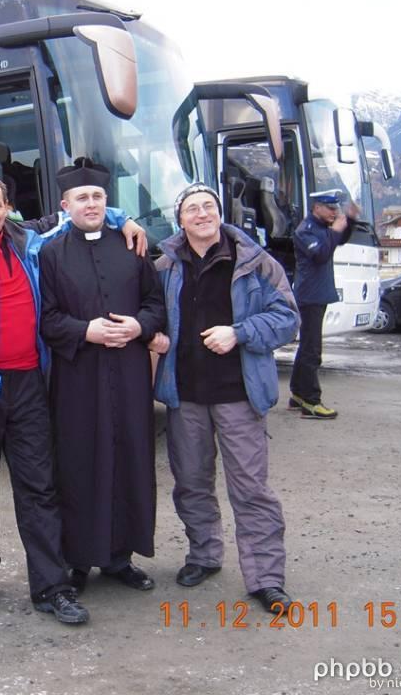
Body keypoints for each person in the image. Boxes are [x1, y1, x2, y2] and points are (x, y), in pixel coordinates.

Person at [0, 171, 147, 624]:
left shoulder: (31, 242)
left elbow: (80, 210)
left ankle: (52, 586)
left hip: (30, 383)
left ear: (8, 206)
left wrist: (123, 218)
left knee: (40, 488)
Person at [151, 183, 300, 613]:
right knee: (191, 484)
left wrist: (240, 333)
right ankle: (204, 555)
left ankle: (266, 577)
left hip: (239, 394)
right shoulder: (165, 268)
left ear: (220, 213)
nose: (202, 214)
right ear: (180, 220)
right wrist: (156, 337)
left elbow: (288, 319)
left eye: (209, 206)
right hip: (186, 397)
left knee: (251, 489)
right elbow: (153, 314)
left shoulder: (257, 264)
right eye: (192, 209)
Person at [39, 159, 166, 593]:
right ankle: (78, 559)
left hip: (129, 377)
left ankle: (119, 557)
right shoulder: (51, 254)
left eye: (97, 196)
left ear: (106, 202)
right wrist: (85, 330)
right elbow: (48, 320)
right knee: (79, 463)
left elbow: (155, 304)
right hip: (78, 380)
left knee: (130, 459)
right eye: (82, 198)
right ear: (65, 204)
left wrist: (140, 327)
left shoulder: (133, 246)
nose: (90, 204)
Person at [289, 189, 358, 419]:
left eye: (336, 208)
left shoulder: (321, 229)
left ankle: (298, 393)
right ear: (316, 207)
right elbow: (320, 254)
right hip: (310, 297)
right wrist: (336, 229)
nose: (334, 212)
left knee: (307, 346)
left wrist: (350, 220)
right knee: (312, 350)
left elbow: (339, 239)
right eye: (330, 208)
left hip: (317, 295)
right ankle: (311, 401)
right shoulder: (306, 231)